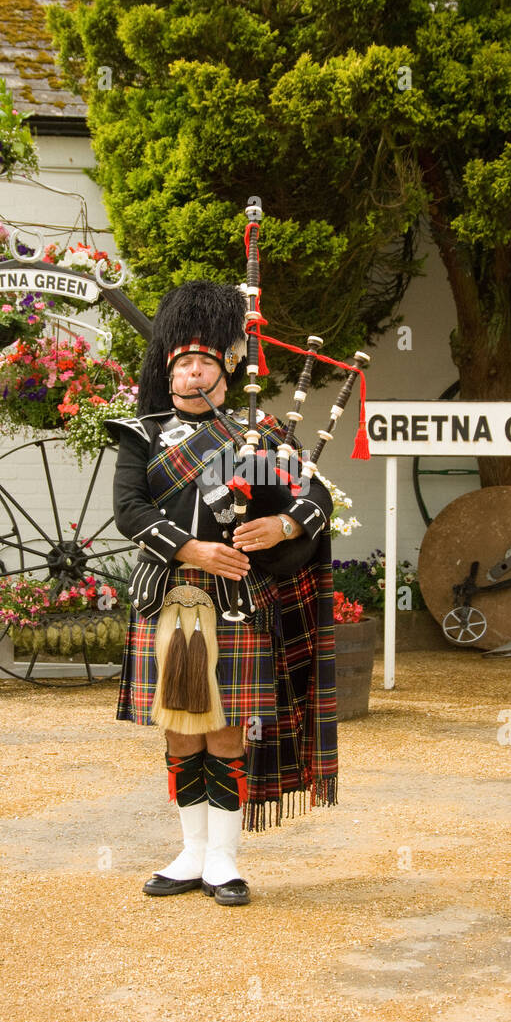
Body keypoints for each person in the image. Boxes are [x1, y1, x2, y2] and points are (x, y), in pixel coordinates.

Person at [107, 279, 337, 906]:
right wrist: (190, 548)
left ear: (226, 370)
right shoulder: (144, 435)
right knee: (180, 728)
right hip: (168, 598)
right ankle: (189, 852)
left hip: (234, 602)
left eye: (205, 362)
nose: (193, 373)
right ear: (169, 372)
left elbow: (313, 497)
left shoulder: (251, 444)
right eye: (183, 363)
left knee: (228, 729)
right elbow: (128, 509)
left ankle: (224, 859)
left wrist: (282, 524)